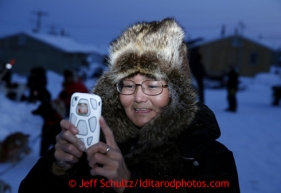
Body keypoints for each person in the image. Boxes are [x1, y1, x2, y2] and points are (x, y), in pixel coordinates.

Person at [19, 18, 240, 193]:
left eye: (152, 85)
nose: (139, 97)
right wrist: (57, 169)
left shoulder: (208, 158)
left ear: (177, 91)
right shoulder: (95, 145)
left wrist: (131, 185)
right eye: (128, 84)